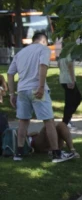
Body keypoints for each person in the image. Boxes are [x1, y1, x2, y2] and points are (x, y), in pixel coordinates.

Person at [6, 32, 74, 163]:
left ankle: (18, 153)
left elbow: (10, 74)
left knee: (23, 121)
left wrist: (12, 94)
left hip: (22, 90)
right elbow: (43, 66)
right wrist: (41, 87)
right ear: (44, 41)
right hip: (37, 90)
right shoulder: (44, 49)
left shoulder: (21, 53)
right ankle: (56, 154)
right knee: (49, 121)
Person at [57, 40, 82, 130]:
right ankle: (66, 121)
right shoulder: (69, 54)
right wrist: (72, 80)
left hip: (63, 79)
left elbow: (59, 65)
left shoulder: (62, 55)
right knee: (72, 100)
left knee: (75, 98)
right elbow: (70, 66)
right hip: (68, 80)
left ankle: (67, 118)